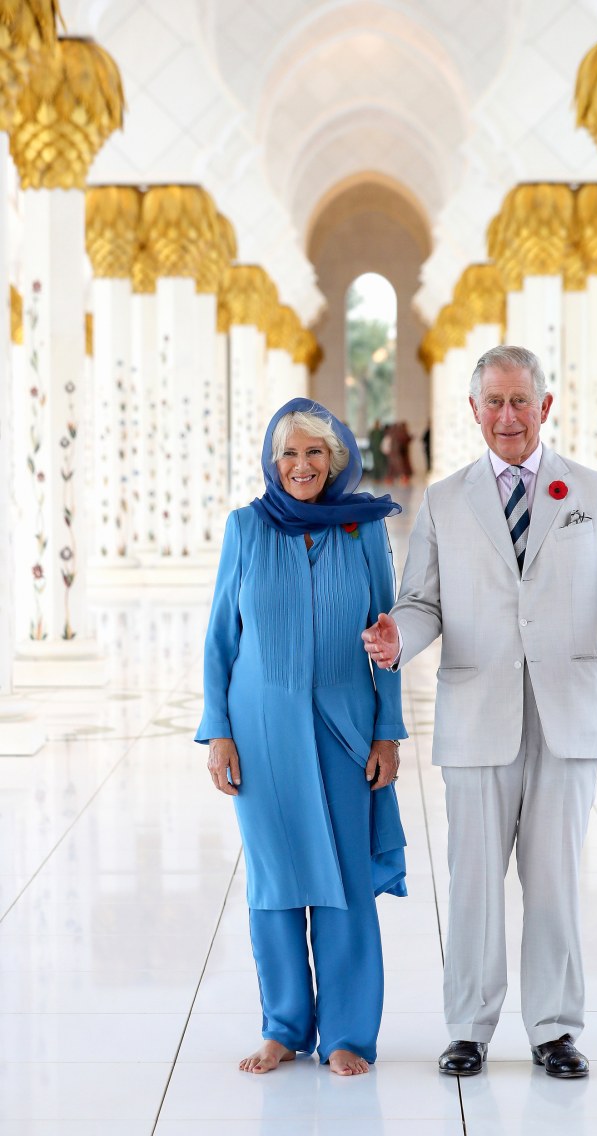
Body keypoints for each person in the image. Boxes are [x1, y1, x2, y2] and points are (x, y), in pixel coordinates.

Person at [362, 345, 597, 1079]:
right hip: (478, 711)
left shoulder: (592, 493)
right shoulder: (446, 502)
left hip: (567, 714)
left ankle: (554, 1030)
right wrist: (396, 639)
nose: (507, 416)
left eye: (520, 402)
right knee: (472, 878)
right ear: (473, 411)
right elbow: (421, 603)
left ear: (545, 407)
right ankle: (469, 1027)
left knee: (555, 878)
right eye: (494, 403)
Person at [196, 398, 407, 1077]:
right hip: (260, 736)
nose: (301, 465)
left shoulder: (364, 530)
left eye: (315, 451)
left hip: (345, 731)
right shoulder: (246, 529)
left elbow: (387, 639)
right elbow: (220, 642)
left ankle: (347, 1033)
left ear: (337, 457)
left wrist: (387, 731)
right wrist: (218, 733)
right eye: (289, 452)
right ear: (271, 460)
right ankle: (284, 1026)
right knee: (276, 882)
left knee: (343, 882)